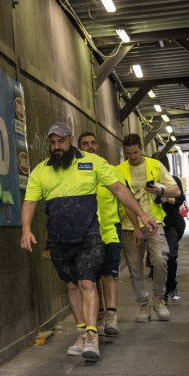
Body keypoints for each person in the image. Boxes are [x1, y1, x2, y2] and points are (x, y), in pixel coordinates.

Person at [20, 123, 157, 362]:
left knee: (86, 282)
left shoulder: (92, 163)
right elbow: (30, 202)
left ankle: (93, 336)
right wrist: (26, 229)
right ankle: (82, 333)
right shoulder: (40, 171)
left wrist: (143, 216)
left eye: (61, 141)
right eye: (52, 142)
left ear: (70, 140)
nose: (56, 147)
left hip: (88, 237)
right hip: (59, 239)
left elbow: (119, 189)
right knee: (72, 286)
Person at [115, 134, 180, 322]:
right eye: (128, 153)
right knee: (135, 268)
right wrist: (135, 226)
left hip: (154, 223)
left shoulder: (154, 165)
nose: (132, 157)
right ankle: (143, 305)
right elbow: (121, 199)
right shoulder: (119, 170)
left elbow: (175, 191)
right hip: (129, 225)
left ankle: (158, 300)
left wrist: (160, 190)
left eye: (135, 152)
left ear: (141, 149)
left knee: (160, 260)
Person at [78, 132, 129, 337]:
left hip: (109, 230)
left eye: (93, 143)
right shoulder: (76, 173)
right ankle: (97, 316)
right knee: (91, 277)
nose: (90, 146)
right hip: (85, 232)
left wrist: (136, 224)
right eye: (85, 144)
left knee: (108, 274)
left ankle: (111, 316)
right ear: (79, 148)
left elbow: (125, 199)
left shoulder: (109, 171)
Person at [153, 153, 186, 304]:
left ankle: (172, 287)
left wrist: (164, 195)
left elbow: (180, 200)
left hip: (171, 223)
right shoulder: (149, 183)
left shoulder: (173, 181)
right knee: (159, 261)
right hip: (153, 224)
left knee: (171, 256)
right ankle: (161, 295)